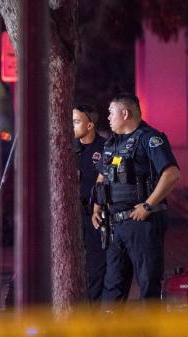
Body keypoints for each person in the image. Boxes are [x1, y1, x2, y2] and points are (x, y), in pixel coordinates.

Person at [91, 94, 180, 305]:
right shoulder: (112, 143)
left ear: (125, 113)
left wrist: (148, 205)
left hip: (142, 222)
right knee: (113, 284)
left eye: (111, 112)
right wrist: (97, 207)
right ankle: (111, 336)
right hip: (115, 224)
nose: (108, 117)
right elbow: (103, 176)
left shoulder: (150, 139)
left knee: (148, 281)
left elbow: (172, 173)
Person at [73, 104, 107, 301]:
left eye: (77, 122)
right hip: (72, 216)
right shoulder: (66, 148)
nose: (72, 126)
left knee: (96, 265)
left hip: (94, 216)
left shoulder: (105, 148)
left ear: (90, 125)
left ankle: (93, 310)